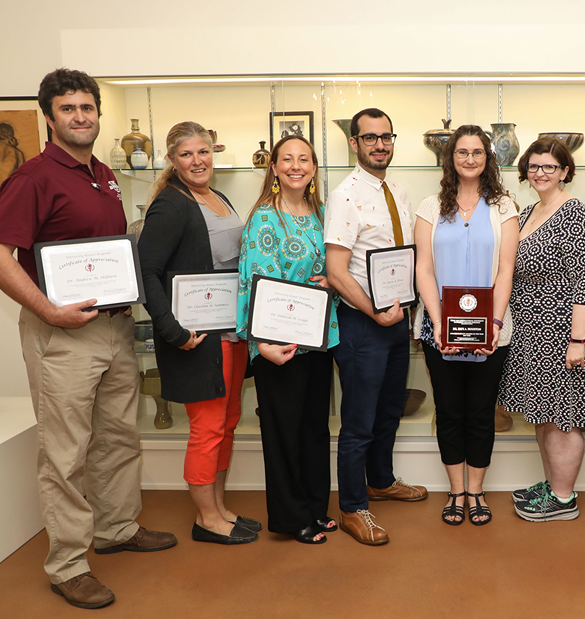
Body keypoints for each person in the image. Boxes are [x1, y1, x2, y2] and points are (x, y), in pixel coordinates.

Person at [0, 68, 176, 610]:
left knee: (116, 437)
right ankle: (67, 564)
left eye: (87, 107)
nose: (80, 117)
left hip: (112, 327)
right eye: (68, 109)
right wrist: (48, 310)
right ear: (49, 117)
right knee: (64, 451)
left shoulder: (105, 175)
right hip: (63, 335)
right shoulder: (34, 177)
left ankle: (116, 528)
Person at [137, 121, 258, 546]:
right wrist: (172, 330)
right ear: (172, 161)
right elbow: (147, 271)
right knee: (206, 428)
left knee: (227, 423)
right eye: (186, 154)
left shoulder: (217, 197)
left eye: (203, 152)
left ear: (213, 153)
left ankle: (220, 508)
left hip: (231, 334)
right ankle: (206, 518)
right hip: (198, 339)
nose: (197, 161)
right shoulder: (171, 204)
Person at [325, 107, 427, 546]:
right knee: (359, 421)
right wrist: (373, 311)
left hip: (395, 320)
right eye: (370, 138)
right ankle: (352, 508)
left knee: (389, 410)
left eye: (386, 136)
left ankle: (380, 480)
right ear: (355, 143)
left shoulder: (398, 191)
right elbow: (336, 271)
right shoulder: (344, 195)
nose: (380, 144)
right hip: (362, 322)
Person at [237, 134, 340, 544]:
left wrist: (333, 280)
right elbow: (251, 281)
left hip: (319, 340)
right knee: (282, 432)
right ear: (275, 168)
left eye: (304, 159)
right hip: (277, 344)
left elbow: (334, 269)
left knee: (315, 428)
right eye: (287, 160)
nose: (296, 166)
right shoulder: (264, 217)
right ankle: (290, 516)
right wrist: (260, 344)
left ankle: (316, 507)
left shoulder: (321, 214)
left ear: (314, 169)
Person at [414, 125, 518, 526]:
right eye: (462, 152)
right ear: (451, 157)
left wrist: (493, 321)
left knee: (480, 412)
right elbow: (423, 269)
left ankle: (476, 492)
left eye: (478, 152)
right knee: (449, 410)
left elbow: (506, 269)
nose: (470, 159)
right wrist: (438, 323)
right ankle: (455, 492)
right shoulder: (430, 207)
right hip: (439, 328)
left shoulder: (505, 207)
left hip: (491, 329)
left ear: (487, 158)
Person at [500, 137, 585, 522]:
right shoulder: (528, 210)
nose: (541, 172)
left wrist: (578, 341)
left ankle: (563, 499)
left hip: (563, 332)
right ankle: (552, 486)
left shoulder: (575, 213)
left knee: (564, 416)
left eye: (550, 166)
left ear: (564, 171)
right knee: (544, 412)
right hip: (531, 332)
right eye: (534, 166)